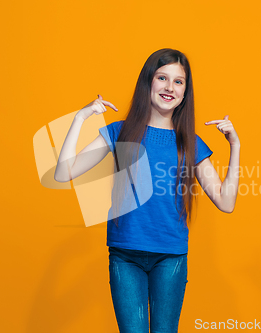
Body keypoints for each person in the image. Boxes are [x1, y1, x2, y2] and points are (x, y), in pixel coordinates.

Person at [54, 48, 240, 332]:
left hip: (170, 256)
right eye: (162, 78)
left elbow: (226, 202)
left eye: (178, 82)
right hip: (125, 253)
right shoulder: (120, 132)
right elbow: (63, 172)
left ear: (185, 92)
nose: (169, 87)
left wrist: (235, 146)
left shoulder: (190, 142)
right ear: (148, 82)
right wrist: (80, 119)